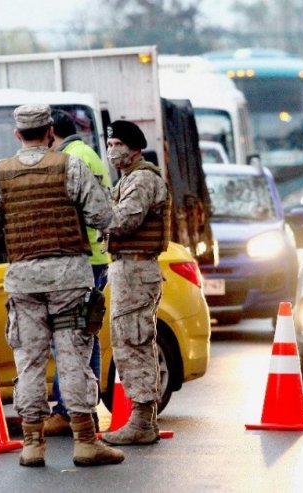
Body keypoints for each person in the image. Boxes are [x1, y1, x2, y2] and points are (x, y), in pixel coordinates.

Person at [0, 104, 123, 468]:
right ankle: (86, 441)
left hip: (23, 281)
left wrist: (13, 247)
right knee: (74, 359)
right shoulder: (70, 166)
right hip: (70, 278)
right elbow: (104, 216)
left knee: (29, 362)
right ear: (50, 132)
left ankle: (32, 444)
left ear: (17, 135)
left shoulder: (0, 175)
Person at [100, 120, 171, 446]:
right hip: (130, 270)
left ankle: (142, 421)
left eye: (118, 145)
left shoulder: (142, 179)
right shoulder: (130, 178)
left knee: (134, 343)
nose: (112, 150)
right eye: (110, 144)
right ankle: (143, 420)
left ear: (135, 149)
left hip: (136, 270)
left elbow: (123, 220)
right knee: (130, 341)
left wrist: (95, 209)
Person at [42, 110, 112, 436]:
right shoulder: (86, 153)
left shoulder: (72, 159)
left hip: (82, 258)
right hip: (95, 256)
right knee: (87, 337)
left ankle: (70, 410)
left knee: (72, 337)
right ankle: (82, 408)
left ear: (52, 132)